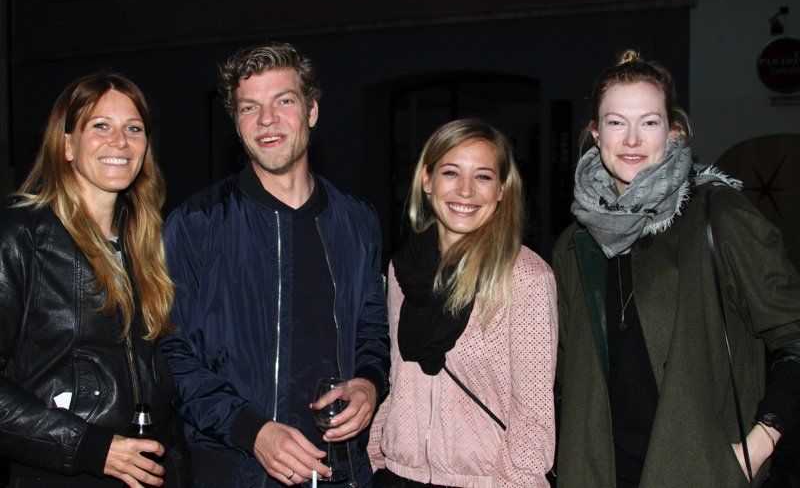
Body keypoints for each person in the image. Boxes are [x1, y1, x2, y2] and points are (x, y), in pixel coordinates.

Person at [553, 50, 800, 487]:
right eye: (616, 122)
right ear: (595, 133)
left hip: (703, 474)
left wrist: (758, 445)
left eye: (649, 122)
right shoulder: (575, 245)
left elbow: (793, 336)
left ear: (673, 132)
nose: (632, 139)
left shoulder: (717, 216)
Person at [160, 42, 390, 487]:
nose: (266, 120)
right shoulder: (196, 223)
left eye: (283, 101)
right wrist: (252, 430)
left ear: (311, 111)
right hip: (235, 471)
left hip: (341, 470)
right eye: (250, 107)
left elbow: (371, 328)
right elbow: (171, 353)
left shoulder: (357, 219)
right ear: (237, 123)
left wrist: (369, 382)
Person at [0, 73, 186, 487]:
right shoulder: (21, 237)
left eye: (133, 129)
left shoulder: (147, 244)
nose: (120, 141)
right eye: (101, 126)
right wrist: (89, 447)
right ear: (67, 145)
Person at [367, 118, 558, 487]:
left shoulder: (526, 277)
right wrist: (376, 457)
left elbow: (533, 417)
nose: (465, 190)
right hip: (398, 474)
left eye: (483, 176)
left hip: (487, 481)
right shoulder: (403, 269)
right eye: (451, 172)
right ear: (427, 180)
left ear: (502, 189)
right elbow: (398, 378)